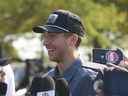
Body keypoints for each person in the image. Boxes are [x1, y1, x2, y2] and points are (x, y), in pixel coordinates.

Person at [32, 9, 98, 96]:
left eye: (52, 36)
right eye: (45, 36)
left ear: (73, 40)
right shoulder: (45, 81)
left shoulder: (92, 80)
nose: (45, 42)